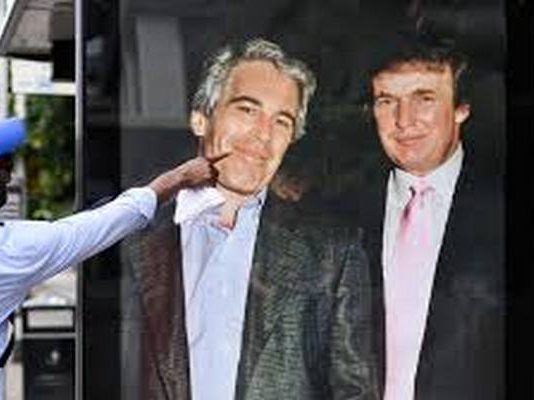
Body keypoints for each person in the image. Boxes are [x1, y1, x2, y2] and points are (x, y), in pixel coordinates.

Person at [138, 38, 377, 400]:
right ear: (201, 118)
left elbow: (355, 393)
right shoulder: (129, 240)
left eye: (282, 121)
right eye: (247, 110)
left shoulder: (332, 253)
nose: (263, 134)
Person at [0, 117, 226, 396]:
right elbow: (100, 226)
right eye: (3, 166)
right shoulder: (10, 251)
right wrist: (179, 178)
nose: (8, 176)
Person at [358, 31, 504, 399]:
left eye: (423, 99)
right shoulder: (341, 215)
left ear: (461, 108)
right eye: (387, 101)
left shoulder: (497, 211)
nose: (403, 120)